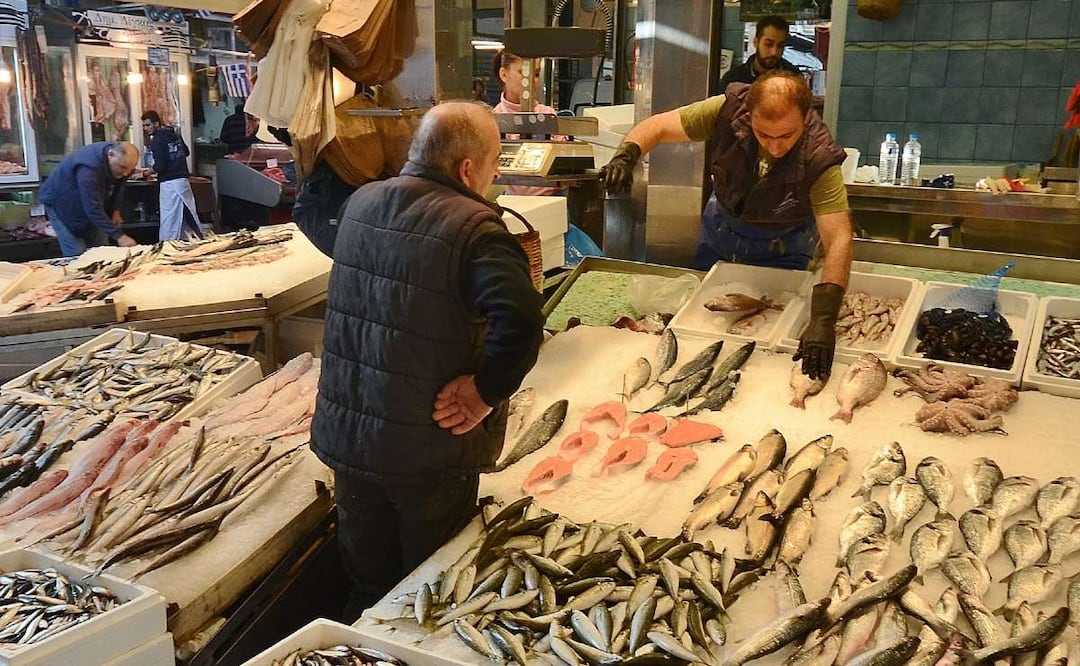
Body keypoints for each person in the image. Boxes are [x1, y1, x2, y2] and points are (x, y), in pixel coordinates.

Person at [310, 101, 545, 623]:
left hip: (349, 442)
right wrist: (485, 392)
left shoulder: (361, 202)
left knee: (367, 590)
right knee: (427, 599)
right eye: (493, 162)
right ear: (466, 169)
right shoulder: (476, 228)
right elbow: (523, 319)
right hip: (428, 451)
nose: (495, 174)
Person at [600, 71, 852, 381]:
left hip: (783, 245)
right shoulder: (727, 110)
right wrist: (626, 156)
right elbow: (660, 126)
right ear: (749, 113)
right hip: (720, 230)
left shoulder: (819, 157)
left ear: (805, 116)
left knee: (767, 341)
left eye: (787, 136)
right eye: (763, 134)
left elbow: (838, 237)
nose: (774, 147)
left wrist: (824, 320)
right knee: (705, 323)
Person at [39, 141, 140, 256]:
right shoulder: (89, 168)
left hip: (88, 200)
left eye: (130, 169)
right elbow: (92, 208)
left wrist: (115, 210)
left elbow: (119, 184)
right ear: (110, 155)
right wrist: (120, 236)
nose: (126, 173)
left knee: (102, 250)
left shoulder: (122, 161)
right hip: (59, 200)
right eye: (122, 167)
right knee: (77, 253)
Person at [492, 49, 560, 196]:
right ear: (503, 74)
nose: (531, 81)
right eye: (524, 73)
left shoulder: (548, 116)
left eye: (535, 74)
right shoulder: (491, 119)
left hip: (549, 203)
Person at [141, 111, 202, 241]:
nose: (145, 129)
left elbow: (160, 166)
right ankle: (194, 240)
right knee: (187, 213)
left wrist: (145, 173)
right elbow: (186, 152)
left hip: (169, 182)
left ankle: (168, 245)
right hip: (183, 180)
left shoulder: (157, 140)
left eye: (147, 125)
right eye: (144, 126)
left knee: (169, 217)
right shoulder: (174, 134)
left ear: (156, 123)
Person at [719, 15, 802, 90]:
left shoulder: (794, 77)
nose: (774, 52)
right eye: (768, 44)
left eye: (780, 46)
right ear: (756, 42)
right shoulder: (734, 79)